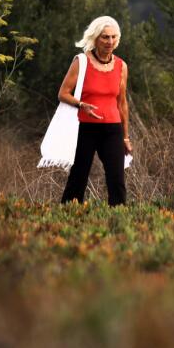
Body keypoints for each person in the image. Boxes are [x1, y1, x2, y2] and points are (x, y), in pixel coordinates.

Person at [58, 16, 132, 206]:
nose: (110, 42)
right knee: (78, 177)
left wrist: (125, 137)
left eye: (114, 37)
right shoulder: (81, 62)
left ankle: (119, 218)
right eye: (105, 37)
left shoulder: (121, 66)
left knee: (117, 179)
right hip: (86, 128)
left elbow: (122, 103)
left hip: (113, 129)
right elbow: (63, 93)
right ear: (95, 38)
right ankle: (68, 214)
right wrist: (81, 105)